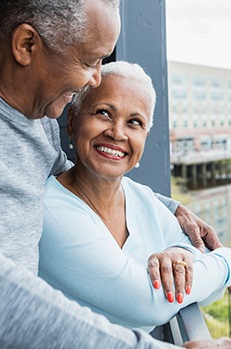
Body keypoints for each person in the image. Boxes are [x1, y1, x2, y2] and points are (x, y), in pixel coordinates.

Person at [0, 0, 228, 348]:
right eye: (90, 61)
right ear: (26, 45)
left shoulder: (40, 125)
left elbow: (80, 179)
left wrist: (172, 208)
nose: (96, 78)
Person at [38, 61, 231, 332]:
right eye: (104, 113)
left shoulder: (142, 199)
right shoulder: (50, 212)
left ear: (145, 136)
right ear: (72, 121)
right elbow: (150, 302)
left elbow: (212, 293)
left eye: (134, 123)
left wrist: (181, 252)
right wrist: (226, 261)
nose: (117, 133)